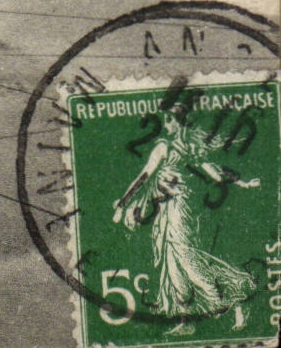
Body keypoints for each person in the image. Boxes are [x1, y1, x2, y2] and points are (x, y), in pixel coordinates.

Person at [110, 103, 259, 331]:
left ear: (180, 123)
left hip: (181, 209)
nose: (166, 125)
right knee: (172, 263)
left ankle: (235, 298)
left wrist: (242, 182)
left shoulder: (179, 148)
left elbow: (212, 169)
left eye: (170, 120)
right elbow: (144, 177)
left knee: (187, 260)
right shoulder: (169, 147)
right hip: (166, 210)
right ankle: (185, 320)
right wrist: (123, 204)